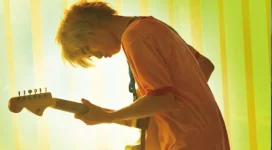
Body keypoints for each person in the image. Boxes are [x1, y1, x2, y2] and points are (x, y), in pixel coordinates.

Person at [55, 1, 230, 150]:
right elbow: (204, 65)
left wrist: (108, 117)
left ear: (91, 26)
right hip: (209, 136)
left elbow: (162, 100)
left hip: (187, 140)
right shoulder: (150, 26)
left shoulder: (134, 38)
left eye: (87, 50)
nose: (97, 56)